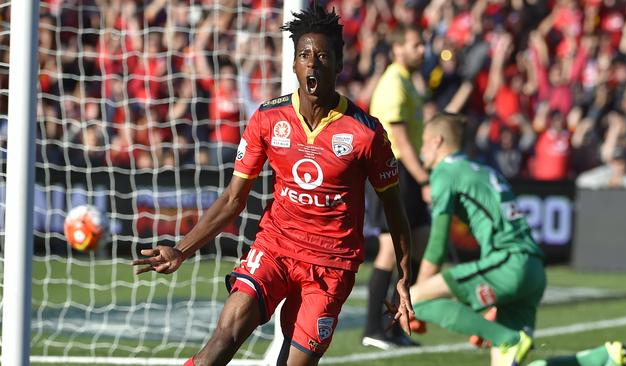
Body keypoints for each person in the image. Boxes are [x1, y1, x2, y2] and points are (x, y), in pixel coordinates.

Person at [132, 5, 415, 366]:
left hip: (331, 266)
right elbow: (234, 199)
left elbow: (394, 209)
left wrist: (404, 278)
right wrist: (182, 249)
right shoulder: (268, 118)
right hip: (276, 247)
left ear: (339, 64)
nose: (312, 63)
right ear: (294, 64)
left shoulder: (366, 133)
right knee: (225, 335)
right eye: (304, 55)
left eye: (322, 56)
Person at [409, 112, 546, 366]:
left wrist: (419, 296)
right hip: (533, 269)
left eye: (424, 141)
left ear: (437, 141)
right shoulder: (483, 169)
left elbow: (437, 245)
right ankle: (599, 359)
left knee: (412, 299)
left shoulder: (444, 173)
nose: (422, 148)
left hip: (509, 263)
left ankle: (506, 337)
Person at [361, 24, 430, 350]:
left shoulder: (407, 82)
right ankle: (373, 328)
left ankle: (395, 322)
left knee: (417, 245)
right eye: (416, 44)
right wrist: (424, 178)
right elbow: (399, 138)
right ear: (398, 48)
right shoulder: (392, 83)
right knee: (391, 250)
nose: (422, 50)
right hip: (394, 173)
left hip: (409, 175)